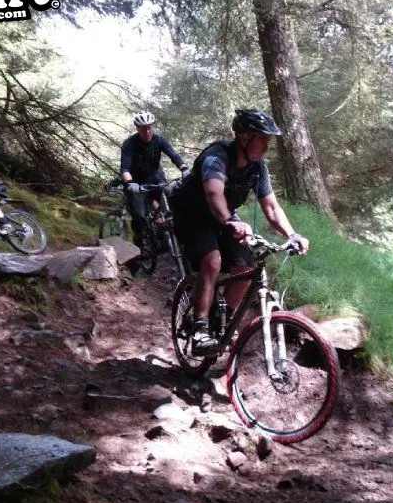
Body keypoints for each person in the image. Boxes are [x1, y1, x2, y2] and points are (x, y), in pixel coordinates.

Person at [171, 108, 309, 355]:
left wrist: (292, 235)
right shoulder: (216, 157)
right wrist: (230, 221)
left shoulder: (258, 168)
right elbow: (213, 194)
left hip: (224, 217)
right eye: (263, 139)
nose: (267, 145)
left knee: (246, 268)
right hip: (192, 214)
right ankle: (200, 330)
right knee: (212, 261)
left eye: (269, 140)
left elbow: (271, 207)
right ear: (244, 138)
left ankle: (222, 322)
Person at [120, 112, 189, 246]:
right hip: (136, 182)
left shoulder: (159, 140)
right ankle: (140, 246)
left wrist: (185, 169)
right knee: (139, 215)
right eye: (143, 128)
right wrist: (129, 182)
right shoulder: (129, 144)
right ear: (137, 129)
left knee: (170, 203)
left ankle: (166, 236)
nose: (147, 131)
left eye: (149, 127)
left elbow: (173, 155)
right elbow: (125, 168)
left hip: (155, 177)